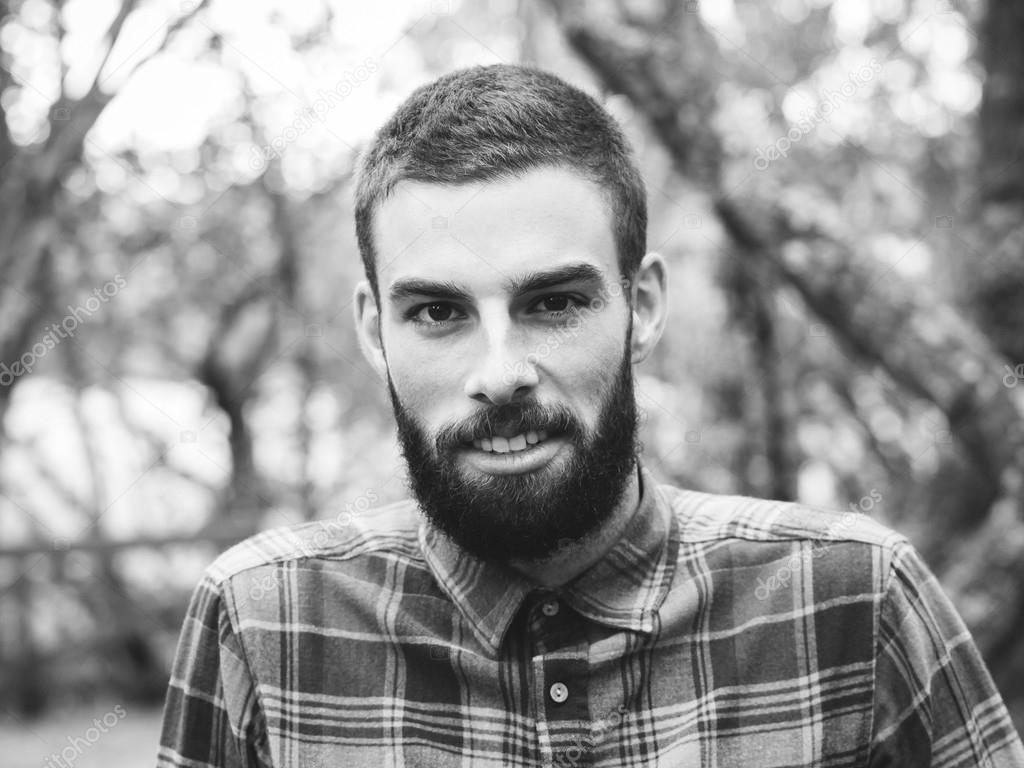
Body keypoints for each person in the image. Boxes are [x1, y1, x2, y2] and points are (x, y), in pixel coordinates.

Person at [157, 64, 1024, 767]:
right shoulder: (265, 625)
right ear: (372, 330)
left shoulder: (854, 602)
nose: (500, 376)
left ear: (640, 307)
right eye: (437, 312)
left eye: (554, 302)